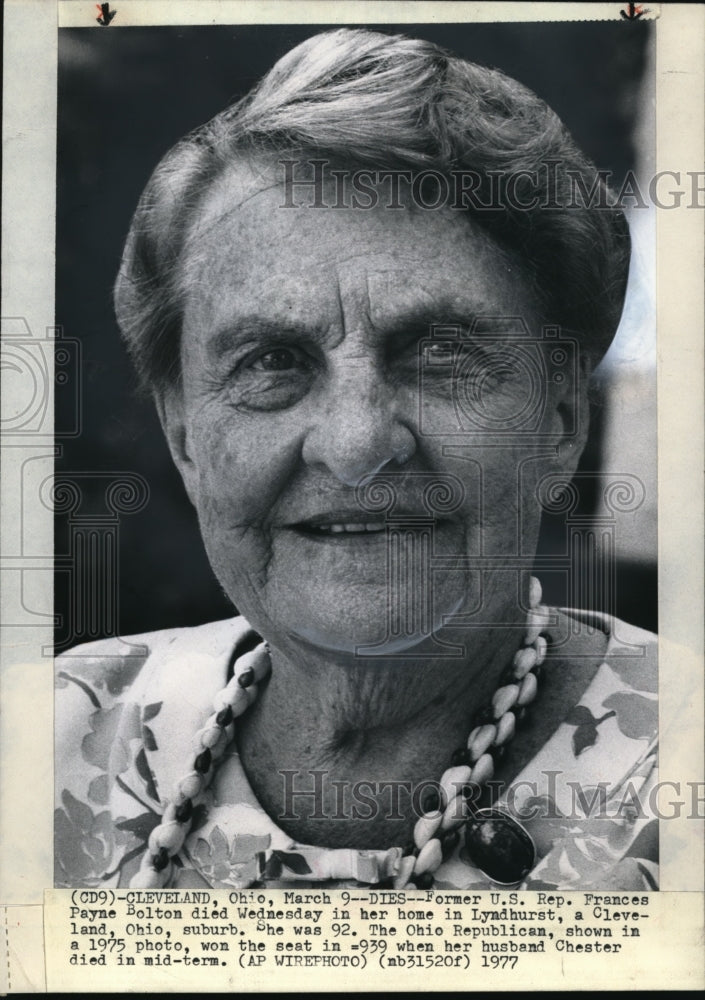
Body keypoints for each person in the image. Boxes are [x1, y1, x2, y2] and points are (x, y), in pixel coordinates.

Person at [54, 28, 658, 891]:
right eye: (271, 362)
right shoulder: (44, 740)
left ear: (559, 421)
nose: (356, 442)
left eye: (439, 353)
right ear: (185, 436)